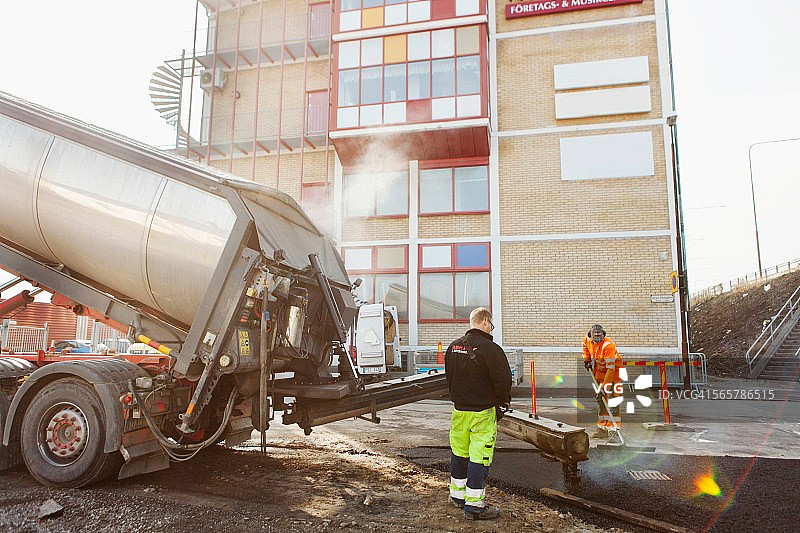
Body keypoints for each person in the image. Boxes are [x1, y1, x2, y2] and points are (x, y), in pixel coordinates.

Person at [445, 307, 512, 521]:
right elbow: (503, 382)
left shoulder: (453, 346)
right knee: (479, 457)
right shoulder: (491, 349)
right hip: (482, 412)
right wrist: (502, 403)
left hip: (459, 411)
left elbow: (449, 377)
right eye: (491, 325)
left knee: (459, 452)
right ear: (484, 321)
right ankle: (474, 506)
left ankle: (457, 496)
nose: (491, 329)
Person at [581, 324, 623, 439]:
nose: (598, 339)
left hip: (613, 372)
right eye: (596, 336)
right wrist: (587, 360)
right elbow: (585, 347)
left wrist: (604, 387)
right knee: (600, 399)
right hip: (600, 370)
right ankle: (602, 429)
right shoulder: (587, 339)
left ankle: (613, 430)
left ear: (603, 334)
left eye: (600, 336)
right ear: (591, 335)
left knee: (613, 399)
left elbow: (611, 369)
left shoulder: (608, 345)